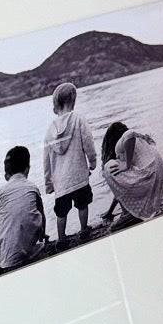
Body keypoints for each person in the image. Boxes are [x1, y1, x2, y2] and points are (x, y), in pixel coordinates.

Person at [43, 81, 98, 246]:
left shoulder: (49, 131)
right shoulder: (78, 120)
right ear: (73, 101)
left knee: (61, 212)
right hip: (79, 175)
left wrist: (48, 183)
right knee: (83, 204)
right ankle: (83, 230)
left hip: (61, 182)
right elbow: (88, 141)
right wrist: (93, 161)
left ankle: (61, 239)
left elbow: (46, 160)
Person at [100, 121, 163, 225]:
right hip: (157, 174)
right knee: (117, 170)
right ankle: (127, 212)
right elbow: (120, 191)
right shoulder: (137, 142)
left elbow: (129, 134)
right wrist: (110, 212)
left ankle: (126, 214)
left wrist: (126, 164)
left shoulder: (122, 142)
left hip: (149, 174)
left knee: (108, 167)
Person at [0, 146, 47, 273]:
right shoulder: (32, 187)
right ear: (27, 169)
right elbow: (42, 216)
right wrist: (42, 235)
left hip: (3, 260)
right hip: (28, 253)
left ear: (7, 175)